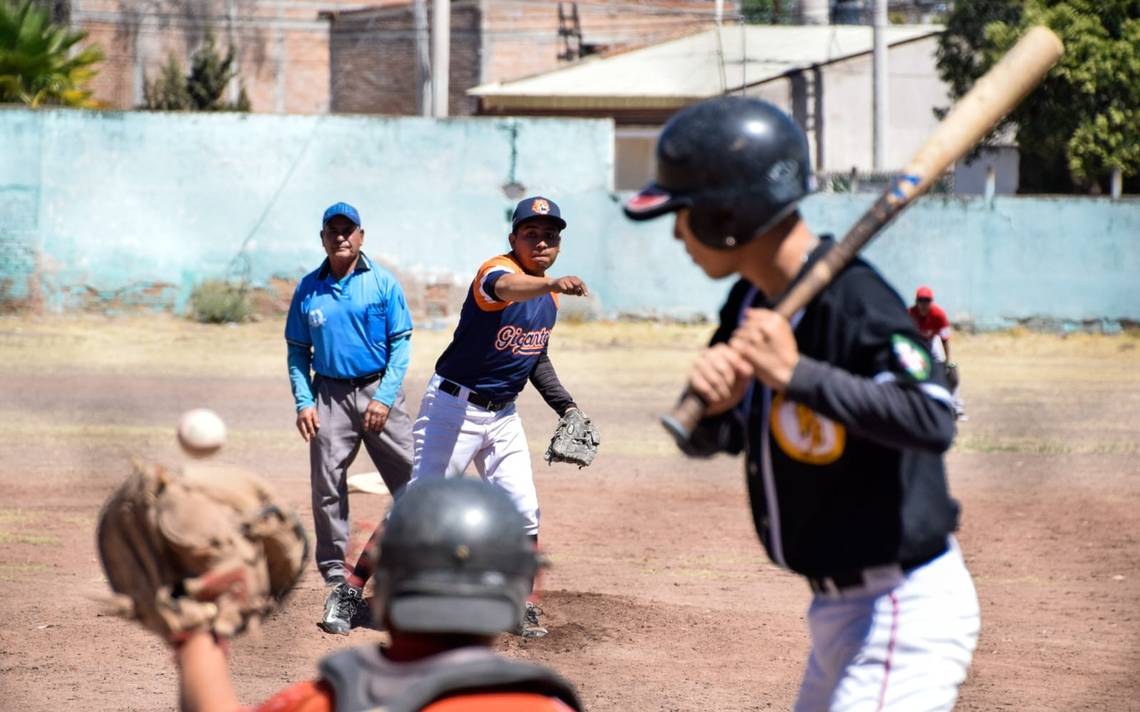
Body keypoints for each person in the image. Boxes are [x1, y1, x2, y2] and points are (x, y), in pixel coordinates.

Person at [624, 96, 980, 711]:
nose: (679, 233)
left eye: (684, 213)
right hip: (838, 611)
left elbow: (932, 418)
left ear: (725, 214)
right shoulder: (749, 303)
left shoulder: (856, 301)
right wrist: (714, 411)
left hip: (903, 605)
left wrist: (796, 373)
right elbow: (721, 437)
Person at [325, 196, 590, 640]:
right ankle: (350, 592)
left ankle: (520, 605)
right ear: (513, 239)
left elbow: (534, 358)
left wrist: (567, 406)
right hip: (454, 407)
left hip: (503, 414)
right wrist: (551, 285)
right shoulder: (495, 273)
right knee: (420, 505)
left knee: (525, 510)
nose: (541, 242)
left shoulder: (548, 300)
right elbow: (506, 289)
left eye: (550, 236)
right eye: (531, 234)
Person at [172, 478, 583, 712]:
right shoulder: (547, 707)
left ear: (382, 588)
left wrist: (197, 636)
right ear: (520, 588)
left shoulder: (323, 702)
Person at [285, 201, 416, 635]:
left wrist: (385, 395)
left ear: (362, 235)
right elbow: (296, 351)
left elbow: (401, 343)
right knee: (327, 486)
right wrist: (304, 401)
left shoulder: (382, 284)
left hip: (379, 392)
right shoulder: (308, 289)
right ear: (322, 238)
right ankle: (338, 577)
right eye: (332, 231)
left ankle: (418, 567)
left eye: (349, 230)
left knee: (417, 482)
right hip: (329, 395)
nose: (341, 237)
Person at [909, 286, 965, 419]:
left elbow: (944, 339)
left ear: (931, 302)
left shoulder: (938, 314)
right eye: (921, 300)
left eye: (927, 300)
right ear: (916, 301)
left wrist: (946, 361)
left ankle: (955, 406)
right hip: (916, 343)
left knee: (951, 371)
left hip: (933, 341)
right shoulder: (909, 313)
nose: (924, 304)